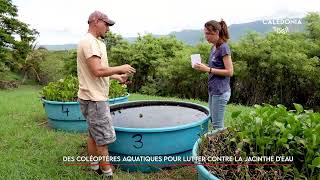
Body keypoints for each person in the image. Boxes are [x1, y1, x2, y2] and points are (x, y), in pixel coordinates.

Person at [77, 10, 136, 178]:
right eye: (106, 24)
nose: (108, 28)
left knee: (93, 135)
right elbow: (97, 70)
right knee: (103, 140)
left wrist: (116, 76)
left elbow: (97, 71)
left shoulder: (92, 42)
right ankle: (108, 173)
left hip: (88, 96)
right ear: (96, 21)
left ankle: (94, 167)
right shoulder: (90, 42)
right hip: (95, 100)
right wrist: (121, 68)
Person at [194, 20, 233, 129]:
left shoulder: (224, 48)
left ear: (216, 33)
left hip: (220, 92)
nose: (205, 37)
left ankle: (224, 145)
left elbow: (230, 72)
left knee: (217, 125)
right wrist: (202, 66)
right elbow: (214, 67)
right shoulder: (214, 47)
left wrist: (208, 69)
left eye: (208, 34)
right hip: (213, 90)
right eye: (205, 33)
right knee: (213, 120)